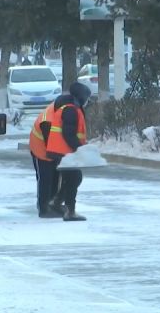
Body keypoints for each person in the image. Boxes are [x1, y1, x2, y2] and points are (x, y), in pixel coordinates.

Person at [46, 82, 92, 221]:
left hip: (61, 151)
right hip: (63, 151)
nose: (88, 101)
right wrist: (80, 149)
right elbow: (68, 133)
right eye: (87, 98)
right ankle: (70, 211)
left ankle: (57, 202)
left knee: (72, 178)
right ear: (81, 97)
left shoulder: (70, 108)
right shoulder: (70, 110)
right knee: (74, 178)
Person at [29, 102, 62, 218]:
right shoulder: (47, 120)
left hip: (52, 147)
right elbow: (51, 143)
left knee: (56, 176)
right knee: (46, 178)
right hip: (40, 150)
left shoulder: (62, 112)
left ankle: (52, 205)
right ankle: (44, 208)